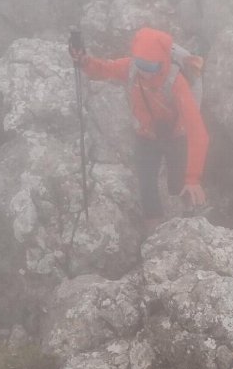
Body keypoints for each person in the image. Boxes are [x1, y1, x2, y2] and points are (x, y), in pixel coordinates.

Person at [70, 26, 209, 234]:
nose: (144, 71)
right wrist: (84, 62)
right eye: (141, 64)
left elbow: (198, 132)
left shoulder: (177, 83)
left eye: (151, 67)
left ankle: (191, 217)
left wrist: (193, 178)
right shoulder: (132, 68)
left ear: (162, 62)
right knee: (146, 183)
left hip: (175, 136)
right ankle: (153, 233)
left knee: (179, 182)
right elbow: (104, 70)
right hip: (146, 135)